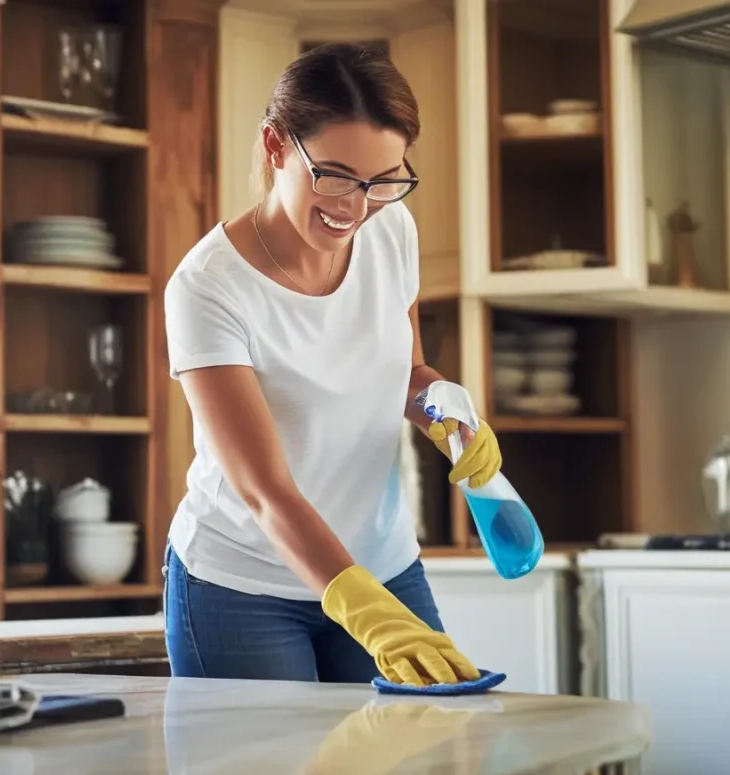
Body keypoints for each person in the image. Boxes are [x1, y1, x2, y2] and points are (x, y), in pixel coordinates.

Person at [162, 42, 503, 686]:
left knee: (412, 763)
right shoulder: (207, 288)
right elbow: (264, 490)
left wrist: (446, 414)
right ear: (274, 146)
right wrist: (369, 615)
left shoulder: (390, 228)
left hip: (382, 561)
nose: (357, 204)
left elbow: (406, 373)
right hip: (243, 584)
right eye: (337, 174)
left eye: (383, 180)